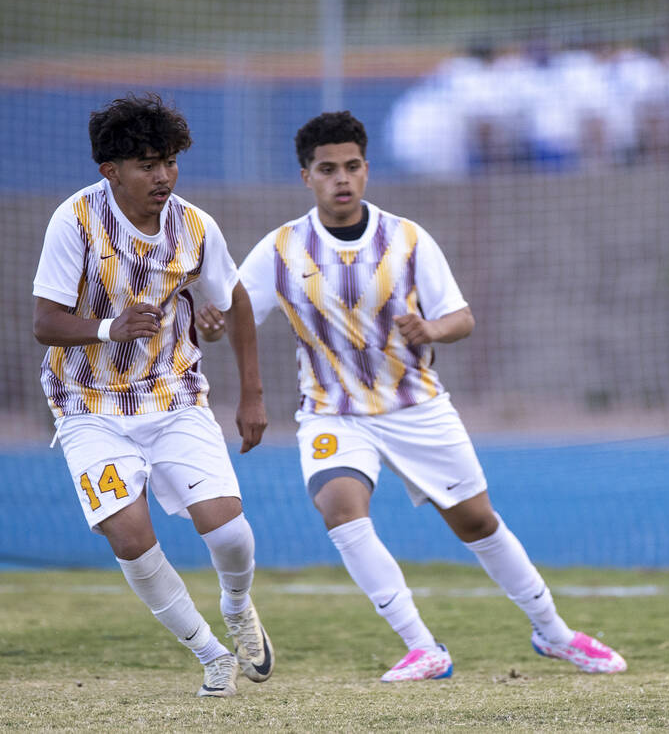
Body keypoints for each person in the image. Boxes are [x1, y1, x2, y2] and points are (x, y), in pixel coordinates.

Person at [199, 110, 625, 682]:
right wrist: (215, 328)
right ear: (307, 177)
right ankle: (424, 647)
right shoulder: (280, 249)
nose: (341, 179)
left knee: (477, 522)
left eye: (351, 166)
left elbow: (462, 317)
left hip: (417, 406)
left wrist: (432, 329)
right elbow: (233, 310)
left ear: (367, 169)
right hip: (333, 411)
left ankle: (554, 633)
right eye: (328, 169)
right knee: (340, 510)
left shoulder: (406, 238)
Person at [32, 94, 274, 698]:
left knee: (229, 534)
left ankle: (239, 607)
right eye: (146, 163)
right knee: (129, 535)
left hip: (174, 395)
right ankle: (211, 654)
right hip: (87, 405)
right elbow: (45, 322)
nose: (162, 175)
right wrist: (111, 327)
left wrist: (252, 395)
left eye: (168, 161)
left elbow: (234, 298)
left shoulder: (195, 225)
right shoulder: (75, 221)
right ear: (109, 170)